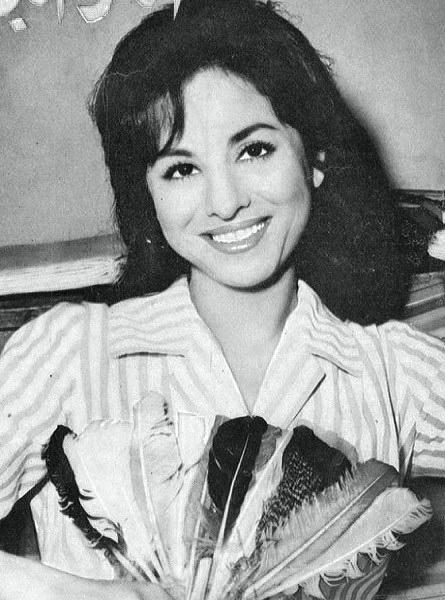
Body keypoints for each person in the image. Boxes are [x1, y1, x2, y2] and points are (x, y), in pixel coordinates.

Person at [0, 0, 444, 598]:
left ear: (313, 158)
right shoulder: (71, 352)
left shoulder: (393, 371)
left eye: (254, 150)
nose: (226, 201)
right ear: (148, 194)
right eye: (182, 170)